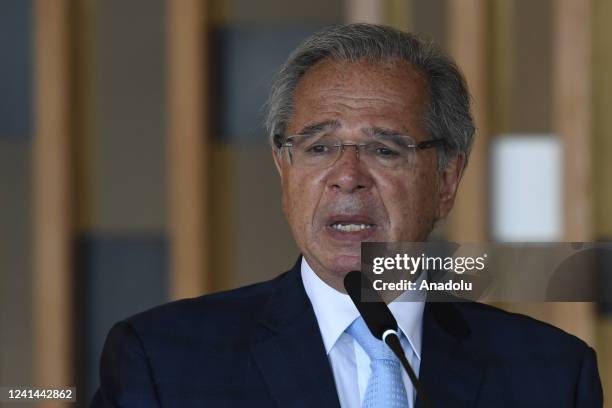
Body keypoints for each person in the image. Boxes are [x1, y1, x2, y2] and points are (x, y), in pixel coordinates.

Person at [91, 23, 603, 407]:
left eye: (384, 150)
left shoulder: (552, 373)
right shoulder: (163, 362)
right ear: (284, 168)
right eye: (318, 148)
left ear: (447, 180)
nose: (347, 176)